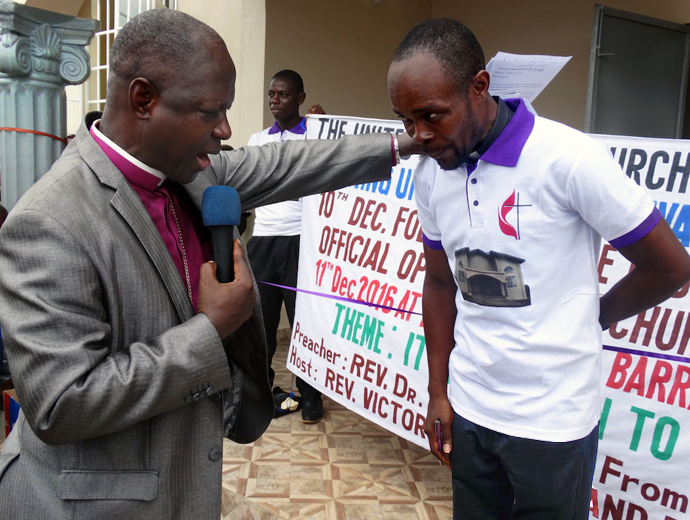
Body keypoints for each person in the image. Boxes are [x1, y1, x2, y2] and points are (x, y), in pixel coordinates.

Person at [0, 10, 417, 519]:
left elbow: (285, 164)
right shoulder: (49, 221)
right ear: (143, 99)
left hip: (180, 483)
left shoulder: (190, 173)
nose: (224, 128)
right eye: (209, 111)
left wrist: (403, 144)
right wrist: (210, 328)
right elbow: (60, 404)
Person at [387, 18, 690, 519]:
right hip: (470, 404)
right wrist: (438, 391)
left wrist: (593, 315)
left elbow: (670, 266)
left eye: (432, 115)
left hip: (553, 421)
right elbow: (440, 283)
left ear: (479, 86)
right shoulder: (430, 172)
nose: (419, 135)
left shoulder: (567, 159)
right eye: (404, 120)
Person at [246, 70, 324, 423]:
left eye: (283, 95)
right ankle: (262, 396)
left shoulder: (314, 135)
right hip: (262, 241)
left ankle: (311, 402)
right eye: (271, 94)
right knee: (260, 326)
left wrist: (323, 128)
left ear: (300, 98)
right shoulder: (257, 140)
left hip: (299, 241)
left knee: (302, 326)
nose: (275, 100)